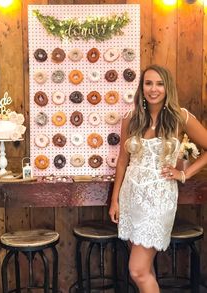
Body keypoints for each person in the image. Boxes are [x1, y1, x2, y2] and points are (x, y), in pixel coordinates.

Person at [109, 64, 207, 293]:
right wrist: (115, 200)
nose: (154, 89)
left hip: (159, 200)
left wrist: (184, 174)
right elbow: (123, 161)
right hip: (131, 197)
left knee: (137, 270)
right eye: (149, 83)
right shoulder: (130, 118)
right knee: (146, 269)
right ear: (142, 87)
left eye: (160, 83)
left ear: (167, 87)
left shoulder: (180, 117)